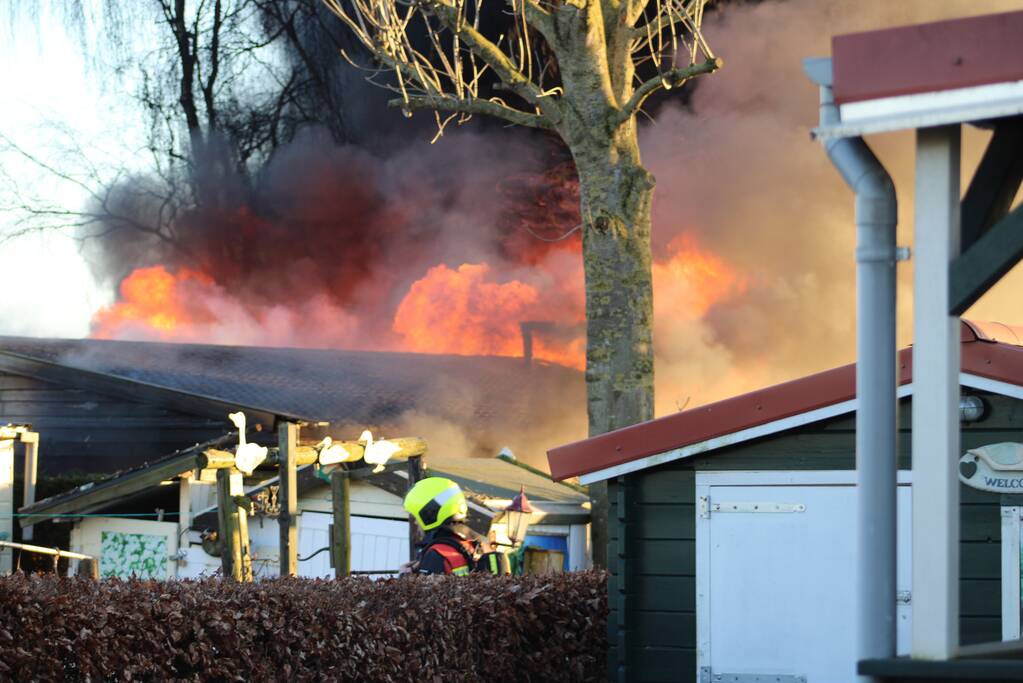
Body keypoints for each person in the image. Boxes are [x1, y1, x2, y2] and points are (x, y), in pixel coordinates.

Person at [400, 476, 509, 576]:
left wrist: (405, 577)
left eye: (415, 517)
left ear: (429, 514)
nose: (415, 523)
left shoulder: (437, 554)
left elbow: (424, 596)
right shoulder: (473, 546)